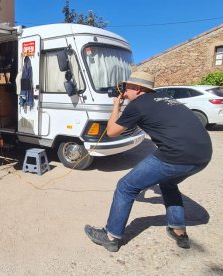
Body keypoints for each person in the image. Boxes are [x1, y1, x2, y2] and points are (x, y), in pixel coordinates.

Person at [85, 72, 212, 252]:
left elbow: (112, 131)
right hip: (203, 156)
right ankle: (179, 231)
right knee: (168, 184)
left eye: (127, 88)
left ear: (137, 89)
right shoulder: (164, 97)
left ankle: (110, 236)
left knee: (126, 187)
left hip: (175, 155)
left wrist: (117, 106)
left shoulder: (137, 105)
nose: (124, 92)